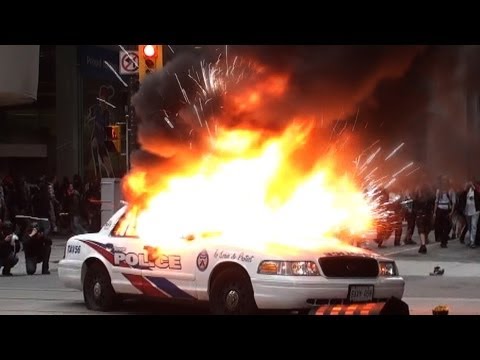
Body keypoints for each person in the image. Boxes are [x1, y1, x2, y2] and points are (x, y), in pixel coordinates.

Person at [458, 182, 480, 249]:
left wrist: (475, 189)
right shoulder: (464, 194)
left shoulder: (476, 193)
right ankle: (471, 240)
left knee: (474, 226)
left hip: (475, 211)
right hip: (467, 212)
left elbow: (479, 196)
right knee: (470, 226)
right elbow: (460, 198)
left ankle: (472, 242)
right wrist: (465, 189)